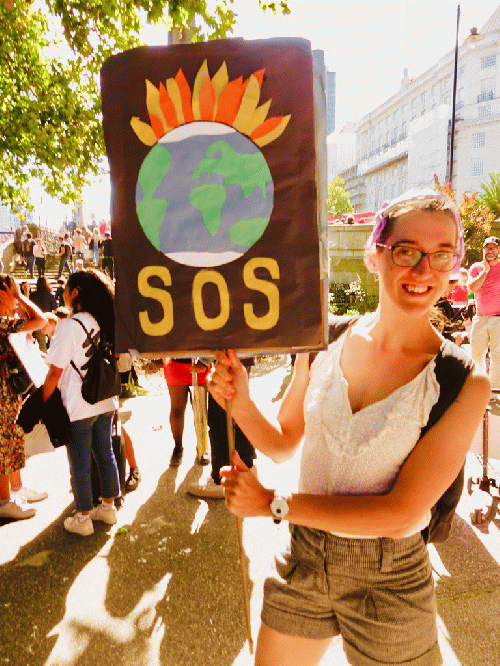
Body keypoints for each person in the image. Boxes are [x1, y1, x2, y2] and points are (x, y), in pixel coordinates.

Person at [209, 189, 490, 666]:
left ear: (455, 266)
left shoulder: (462, 380)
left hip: (391, 580)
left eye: (442, 256)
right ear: (376, 255)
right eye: (407, 252)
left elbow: (400, 514)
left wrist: (272, 505)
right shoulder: (325, 338)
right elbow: (283, 443)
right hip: (303, 558)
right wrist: (240, 402)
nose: (424, 270)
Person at [41, 269, 120, 536]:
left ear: (75, 293)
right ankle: (108, 508)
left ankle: (83, 517)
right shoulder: (105, 320)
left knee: (80, 462)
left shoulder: (69, 326)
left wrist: (43, 400)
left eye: (65, 289)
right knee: (105, 454)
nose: (62, 293)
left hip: (78, 404)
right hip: (105, 400)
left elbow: (54, 372)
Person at [0, 274, 48, 520]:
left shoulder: (6, 322)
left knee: (12, 440)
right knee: (3, 446)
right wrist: (20, 297)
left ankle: (16, 490)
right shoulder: (1, 323)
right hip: (2, 397)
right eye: (12, 292)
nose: (15, 300)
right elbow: (40, 321)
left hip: (8, 394)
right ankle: (4, 501)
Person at [188, 358, 256, 499]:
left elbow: (221, 336)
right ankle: (247, 465)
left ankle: (220, 480)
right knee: (239, 409)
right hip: (241, 356)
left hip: (228, 359)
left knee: (220, 419)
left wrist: (204, 361)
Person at [163, 357, 210, 466]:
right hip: (175, 363)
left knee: (200, 407)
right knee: (177, 408)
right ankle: (178, 448)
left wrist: (206, 361)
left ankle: (202, 447)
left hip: (200, 363)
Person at [467, 236, 500, 389]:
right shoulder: (476, 268)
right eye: (487, 247)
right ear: (483, 250)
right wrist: (485, 271)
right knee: (476, 356)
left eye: (493, 247)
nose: (490, 250)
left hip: (498, 319)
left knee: (497, 357)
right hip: (480, 318)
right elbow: (472, 288)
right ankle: (478, 391)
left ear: (498, 250)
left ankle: (492, 392)